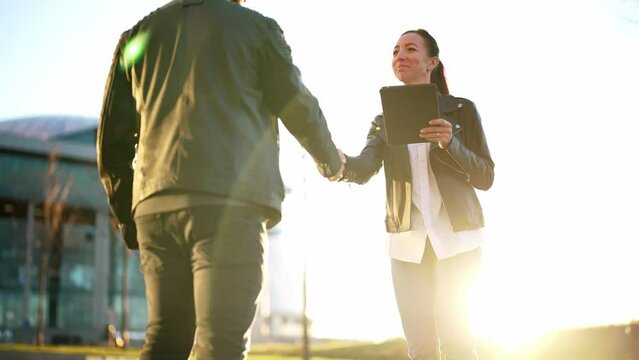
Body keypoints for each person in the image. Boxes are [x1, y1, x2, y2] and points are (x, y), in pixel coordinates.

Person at [96, 0, 344, 359]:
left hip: (155, 208)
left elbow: (111, 143)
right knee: (221, 344)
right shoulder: (256, 28)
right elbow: (296, 104)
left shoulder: (137, 37)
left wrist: (129, 216)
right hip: (227, 203)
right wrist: (330, 160)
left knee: (165, 339)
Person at [339, 29, 494, 360]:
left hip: (459, 240)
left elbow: (485, 176)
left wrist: (450, 143)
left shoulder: (462, 110)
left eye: (410, 49)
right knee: (420, 349)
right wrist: (337, 164)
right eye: (395, 51)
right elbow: (365, 167)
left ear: (431, 62)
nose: (400, 56)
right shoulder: (382, 122)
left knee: (458, 344)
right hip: (407, 247)